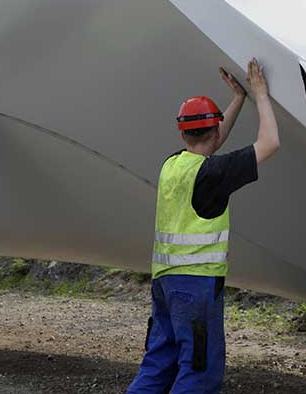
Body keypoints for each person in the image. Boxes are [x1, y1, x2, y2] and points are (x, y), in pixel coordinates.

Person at [127, 59, 280, 394]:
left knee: (158, 365)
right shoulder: (211, 173)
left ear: (182, 132)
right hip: (195, 288)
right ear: (214, 130)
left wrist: (238, 100)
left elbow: (211, 144)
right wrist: (260, 94)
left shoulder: (172, 165)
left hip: (164, 285)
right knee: (199, 372)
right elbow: (270, 143)